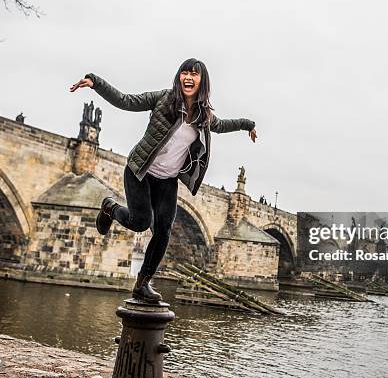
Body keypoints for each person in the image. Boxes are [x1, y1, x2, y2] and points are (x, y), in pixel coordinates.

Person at [69, 58, 257, 303]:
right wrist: (96, 82)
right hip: (140, 171)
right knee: (140, 222)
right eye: (184, 73)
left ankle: (142, 284)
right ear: (179, 77)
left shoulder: (204, 115)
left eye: (194, 74)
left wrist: (248, 125)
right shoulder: (163, 99)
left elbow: (222, 125)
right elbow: (126, 101)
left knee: (163, 231)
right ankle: (110, 207)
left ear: (202, 81)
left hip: (167, 180)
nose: (188, 78)